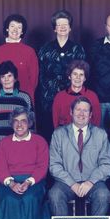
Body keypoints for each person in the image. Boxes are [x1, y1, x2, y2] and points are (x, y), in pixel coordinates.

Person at [0, 107, 49, 219]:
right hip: (9, 181)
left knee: (29, 199)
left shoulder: (39, 141)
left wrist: (28, 182)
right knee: (10, 200)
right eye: (16, 121)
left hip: (33, 181)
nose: (19, 125)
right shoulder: (3, 143)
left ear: (30, 123)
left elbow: (42, 166)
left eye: (23, 121)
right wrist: (11, 183)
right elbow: (0, 167)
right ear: (11, 124)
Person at [48, 96, 110, 216]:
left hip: (93, 182)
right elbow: (54, 165)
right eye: (78, 110)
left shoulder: (100, 134)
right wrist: (72, 183)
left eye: (85, 110)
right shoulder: (59, 134)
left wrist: (90, 182)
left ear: (90, 115)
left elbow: (107, 164)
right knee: (55, 194)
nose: (81, 113)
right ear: (71, 112)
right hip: (66, 182)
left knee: (103, 194)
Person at [37, 9, 86, 141]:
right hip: (49, 100)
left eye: (66, 25)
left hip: (71, 98)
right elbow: (40, 74)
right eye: (59, 25)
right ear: (54, 28)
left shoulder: (77, 49)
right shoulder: (45, 49)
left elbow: (82, 75)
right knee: (49, 134)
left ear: (70, 28)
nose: (62, 28)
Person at [0, 14, 38, 104]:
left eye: (19, 27)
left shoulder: (29, 51)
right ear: (7, 29)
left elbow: (34, 79)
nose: (15, 30)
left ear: (22, 31)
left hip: (25, 97)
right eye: (12, 26)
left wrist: (27, 96)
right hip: (3, 97)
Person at [0, 61, 33, 141]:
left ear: (15, 78)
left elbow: (31, 124)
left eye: (9, 76)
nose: (6, 79)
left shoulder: (25, 98)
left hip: (19, 142)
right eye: (3, 76)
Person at [52, 60, 100, 128]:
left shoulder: (92, 96)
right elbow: (55, 122)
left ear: (85, 78)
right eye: (75, 74)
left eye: (81, 75)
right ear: (69, 76)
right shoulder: (59, 97)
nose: (78, 77)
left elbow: (96, 121)